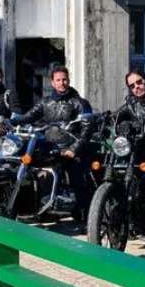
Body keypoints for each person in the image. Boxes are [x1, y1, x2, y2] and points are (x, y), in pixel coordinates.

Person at [12, 66, 94, 223]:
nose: (62, 83)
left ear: (68, 80)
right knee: (30, 168)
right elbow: (28, 116)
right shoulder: (45, 102)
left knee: (78, 178)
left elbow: (87, 130)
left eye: (64, 79)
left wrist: (73, 149)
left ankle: (85, 217)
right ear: (52, 82)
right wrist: (9, 121)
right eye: (58, 80)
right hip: (49, 147)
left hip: (70, 148)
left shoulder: (80, 103)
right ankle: (37, 206)